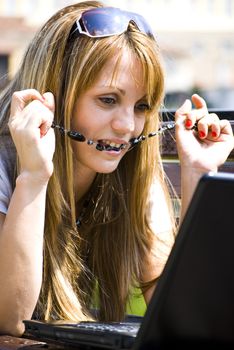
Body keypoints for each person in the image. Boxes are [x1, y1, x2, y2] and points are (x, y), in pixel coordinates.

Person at [0, 1, 233, 337]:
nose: (127, 126)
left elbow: (182, 314)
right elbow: (10, 320)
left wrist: (197, 173)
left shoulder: (132, 171)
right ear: (53, 98)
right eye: (108, 99)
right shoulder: (9, 162)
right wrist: (34, 177)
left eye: (141, 106)